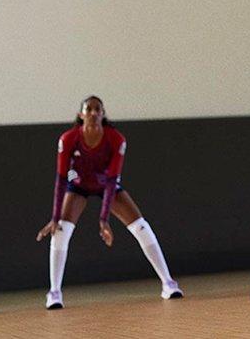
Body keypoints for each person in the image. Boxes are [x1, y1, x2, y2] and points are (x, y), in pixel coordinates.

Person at [35, 96, 183, 309]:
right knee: (60, 230)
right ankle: (54, 292)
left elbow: (113, 179)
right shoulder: (68, 139)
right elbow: (61, 179)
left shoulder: (116, 139)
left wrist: (103, 219)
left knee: (141, 226)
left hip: (107, 186)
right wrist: (55, 217)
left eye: (98, 109)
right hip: (78, 186)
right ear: (81, 115)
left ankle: (168, 283)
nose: (93, 113)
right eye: (89, 109)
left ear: (103, 114)